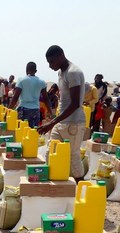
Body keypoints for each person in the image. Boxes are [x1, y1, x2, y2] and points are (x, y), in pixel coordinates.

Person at [38, 45, 86, 181]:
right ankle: (54, 185)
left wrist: (52, 122)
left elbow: (75, 103)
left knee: (73, 157)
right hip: (62, 121)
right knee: (50, 152)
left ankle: (81, 189)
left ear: (61, 56)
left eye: (52, 62)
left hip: (74, 123)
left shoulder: (73, 72)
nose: (50, 66)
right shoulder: (61, 73)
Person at [8, 63, 51, 128]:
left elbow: (15, 97)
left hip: (23, 109)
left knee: (22, 131)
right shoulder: (42, 82)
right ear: (36, 71)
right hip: (36, 110)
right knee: (34, 131)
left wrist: (8, 109)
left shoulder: (21, 80)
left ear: (26, 70)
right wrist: (50, 111)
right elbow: (46, 98)